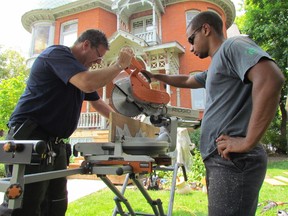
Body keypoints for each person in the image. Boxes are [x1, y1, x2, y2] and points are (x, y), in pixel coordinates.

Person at [143, 11, 284, 216]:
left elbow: (271, 78)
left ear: (206, 29)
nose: (190, 47)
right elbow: (187, 80)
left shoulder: (232, 47)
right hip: (223, 161)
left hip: (234, 161)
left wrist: (248, 141)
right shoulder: (216, 66)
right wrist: (156, 75)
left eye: (192, 39)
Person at [0, 29, 133, 216]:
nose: (99, 62)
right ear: (86, 45)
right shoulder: (57, 55)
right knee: (25, 206)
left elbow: (97, 102)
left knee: (56, 205)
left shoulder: (79, 71)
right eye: (98, 56)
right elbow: (87, 83)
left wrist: (123, 124)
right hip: (30, 138)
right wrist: (119, 64)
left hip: (55, 146)